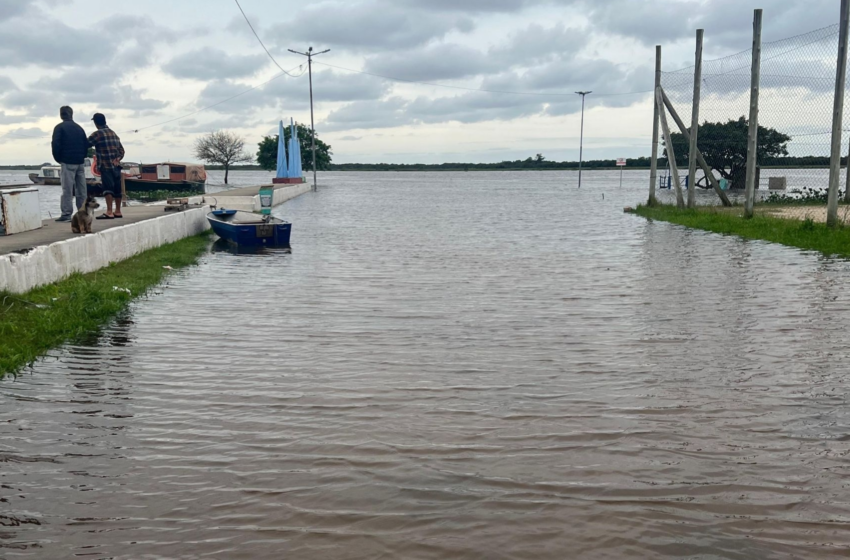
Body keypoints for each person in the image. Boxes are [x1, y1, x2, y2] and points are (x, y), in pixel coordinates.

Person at [51, 106, 89, 222]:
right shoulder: (79, 128)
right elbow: (85, 144)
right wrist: (81, 157)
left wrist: (59, 159)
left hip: (67, 161)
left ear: (61, 115)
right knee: (81, 190)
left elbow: (55, 144)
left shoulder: (59, 127)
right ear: (71, 114)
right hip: (80, 162)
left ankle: (66, 214)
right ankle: (83, 213)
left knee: (67, 189)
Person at [88, 112, 125, 219]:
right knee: (117, 190)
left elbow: (86, 143)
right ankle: (118, 211)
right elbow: (122, 150)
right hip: (116, 167)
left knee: (107, 189)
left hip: (105, 166)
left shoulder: (97, 134)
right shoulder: (114, 133)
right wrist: (118, 159)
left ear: (95, 123)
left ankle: (109, 212)